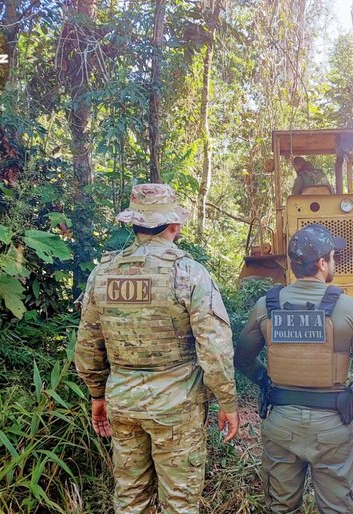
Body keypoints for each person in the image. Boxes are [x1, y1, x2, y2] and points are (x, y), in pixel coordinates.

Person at [74, 183, 239, 514]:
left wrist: (97, 394)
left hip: (122, 400)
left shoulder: (103, 273)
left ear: (134, 225)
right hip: (176, 406)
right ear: (174, 226)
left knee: (131, 498)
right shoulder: (189, 273)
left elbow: (88, 343)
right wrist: (227, 401)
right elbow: (214, 348)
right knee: (179, 503)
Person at [235, 224, 353, 514]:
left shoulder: (267, 305)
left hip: (281, 423)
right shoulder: (348, 308)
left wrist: (268, 384)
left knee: (280, 507)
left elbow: (243, 359)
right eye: (333, 257)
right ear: (323, 263)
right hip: (332, 424)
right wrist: (349, 405)